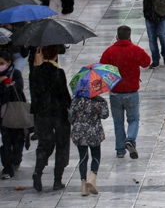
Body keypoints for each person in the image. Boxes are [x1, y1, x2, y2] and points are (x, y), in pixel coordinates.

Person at [99, 25, 151, 159]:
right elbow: (146, 63)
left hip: (115, 92)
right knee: (133, 119)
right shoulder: (135, 50)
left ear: (117, 36)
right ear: (130, 36)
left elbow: (102, 69)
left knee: (118, 121)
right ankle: (131, 139)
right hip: (132, 91)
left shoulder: (109, 52)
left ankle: (120, 150)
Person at [30, 45, 71, 192]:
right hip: (59, 114)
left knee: (44, 143)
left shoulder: (35, 73)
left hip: (42, 114)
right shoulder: (58, 73)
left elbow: (34, 95)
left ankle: (38, 171)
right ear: (55, 55)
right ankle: (57, 180)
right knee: (62, 145)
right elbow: (65, 96)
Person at [68, 83, 109, 196]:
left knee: (83, 157)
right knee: (96, 155)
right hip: (94, 132)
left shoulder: (76, 101)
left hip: (79, 132)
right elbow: (105, 115)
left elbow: (71, 117)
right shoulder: (98, 101)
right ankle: (92, 177)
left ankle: (83, 186)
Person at [0, 50, 26, 180]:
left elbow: (19, 89)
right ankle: (7, 168)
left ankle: (16, 159)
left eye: (1, 63)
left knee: (17, 140)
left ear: (9, 62)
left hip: (15, 114)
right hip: (2, 116)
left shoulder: (15, 73)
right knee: (5, 142)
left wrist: (7, 82)